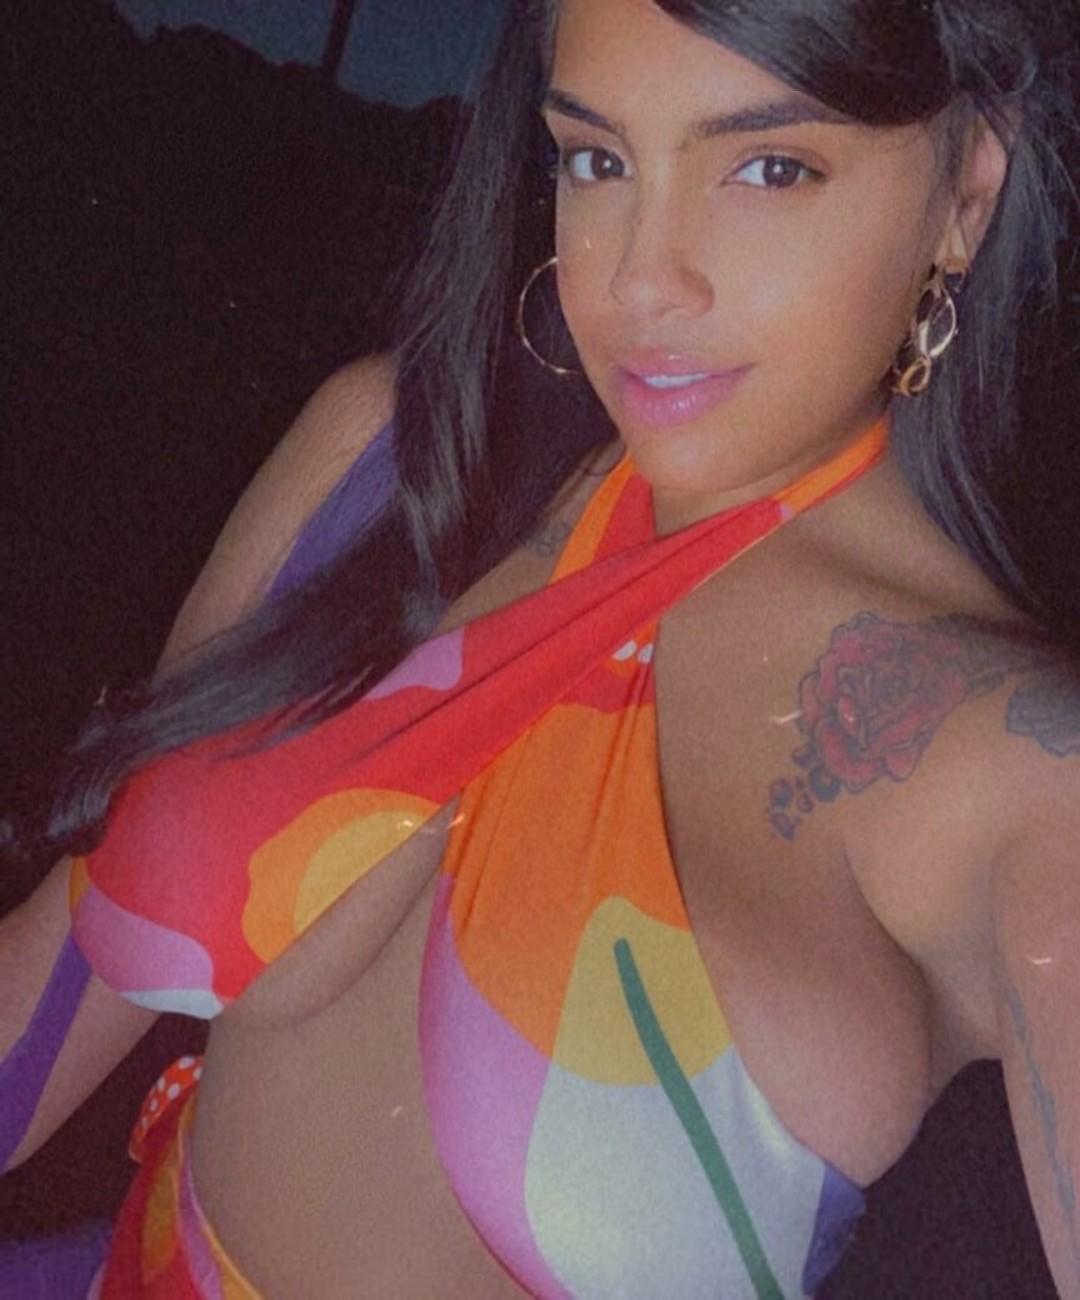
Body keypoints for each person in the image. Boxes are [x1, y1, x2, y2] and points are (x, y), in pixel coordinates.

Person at [2, 0, 1078, 1295]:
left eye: (768, 169)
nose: (640, 280)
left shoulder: (1015, 774)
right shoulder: (389, 473)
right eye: (598, 158)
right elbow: (54, 989)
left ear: (967, 194)